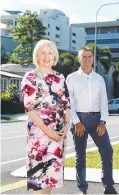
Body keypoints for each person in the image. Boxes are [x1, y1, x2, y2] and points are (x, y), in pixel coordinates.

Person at [21, 40, 71, 194]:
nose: (46, 56)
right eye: (42, 52)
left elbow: (66, 104)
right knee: (38, 183)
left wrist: (66, 125)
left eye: (50, 52)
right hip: (39, 135)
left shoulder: (60, 77)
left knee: (49, 182)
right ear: (37, 56)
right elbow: (29, 109)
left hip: (57, 136)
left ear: (54, 56)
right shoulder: (30, 77)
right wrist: (48, 131)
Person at [66, 47, 116, 194]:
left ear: (93, 59)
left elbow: (104, 102)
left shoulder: (99, 79)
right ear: (79, 59)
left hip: (96, 120)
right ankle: (82, 188)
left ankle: (108, 185)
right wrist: (76, 122)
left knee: (107, 151)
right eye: (83, 57)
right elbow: (69, 102)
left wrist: (103, 121)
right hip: (79, 120)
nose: (87, 59)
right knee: (80, 155)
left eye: (89, 57)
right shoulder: (72, 78)